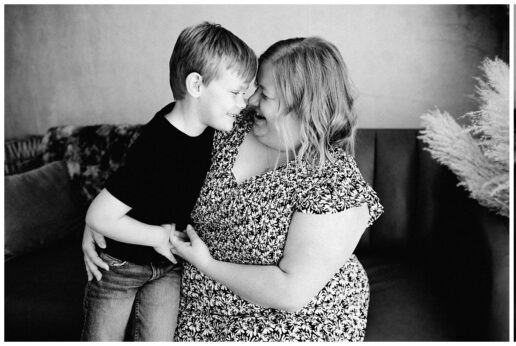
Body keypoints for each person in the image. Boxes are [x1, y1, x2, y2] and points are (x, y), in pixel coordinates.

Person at [167, 37, 383, 341]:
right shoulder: (229, 125)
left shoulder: (334, 181)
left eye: (264, 94)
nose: (250, 99)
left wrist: (208, 265)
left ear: (301, 106)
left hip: (297, 319)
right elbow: (155, 156)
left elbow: (291, 292)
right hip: (203, 305)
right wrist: (106, 216)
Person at [80, 21, 257, 341]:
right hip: (121, 265)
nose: (242, 104)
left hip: (167, 268)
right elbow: (99, 216)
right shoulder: (158, 144)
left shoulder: (207, 125)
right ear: (196, 85)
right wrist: (157, 235)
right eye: (235, 92)